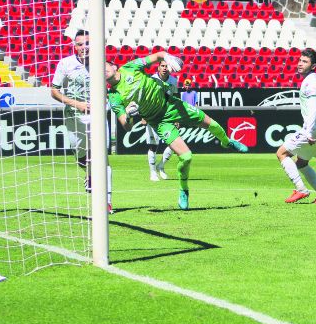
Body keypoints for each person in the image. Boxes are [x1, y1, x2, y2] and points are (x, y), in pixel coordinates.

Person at [106, 52, 248, 210]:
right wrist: (129, 116)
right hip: (158, 122)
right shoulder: (113, 96)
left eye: (104, 67)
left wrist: (168, 58)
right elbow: (126, 126)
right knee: (186, 157)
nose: (103, 71)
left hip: (172, 106)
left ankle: (227, 142)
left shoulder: (130, 67)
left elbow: (159, 55)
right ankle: (183, 190)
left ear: (113, 66)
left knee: (213, 124)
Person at [51, 31, 113, 213]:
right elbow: (54, 91)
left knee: (103, 158)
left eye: (87, 43)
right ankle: (90, 173)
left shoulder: (102, 64)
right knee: (81, 156)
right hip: (74, 116)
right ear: (75, 47)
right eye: (80, 44)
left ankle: (107, 202)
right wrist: (76, 104)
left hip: (98, 115)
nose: (84, 47)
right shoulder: (66, 64)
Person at [276, 48, 316, 203]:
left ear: (313, 66)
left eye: (305, 61)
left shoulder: (310, 83)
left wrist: (308, 132)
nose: (300, 64)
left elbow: (315, 107)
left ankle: (301, 189)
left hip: (313, 130)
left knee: (281, 153)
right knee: (302, 163)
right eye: (300, 60)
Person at [143, 59, 176, 181]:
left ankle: (161, 166)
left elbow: (173, 99)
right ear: (158, 68)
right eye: (162, 66)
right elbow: (145, 98)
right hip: (152, 114)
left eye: (167, 66)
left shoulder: (173, 81)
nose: (165, 68)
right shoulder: (152, 80)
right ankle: (153, 173)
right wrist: (144, 115)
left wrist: (176, 116)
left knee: (174, 143)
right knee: (153, 145)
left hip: (167, 115)